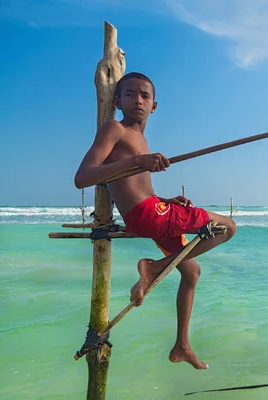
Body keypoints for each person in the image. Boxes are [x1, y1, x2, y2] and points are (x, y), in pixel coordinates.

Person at [74, 72, 236, 370]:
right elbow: (82, 177)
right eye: (130, 94)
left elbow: (138, 188)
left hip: (153, 211)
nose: (138, 100)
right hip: (145, 216)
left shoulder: (142, 140)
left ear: (154, 105)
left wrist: (167, 200)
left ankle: (182, 346)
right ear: (117, 100)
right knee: (228, 227)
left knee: (191, 271)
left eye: (144, 96)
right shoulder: (114, 129)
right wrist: (138, 162)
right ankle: (154, 268)